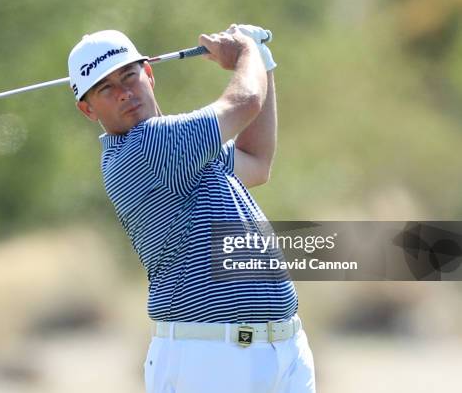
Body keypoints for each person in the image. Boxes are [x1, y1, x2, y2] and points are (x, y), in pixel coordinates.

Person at [67, 24, 316, 393]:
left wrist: (263, 62)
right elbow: (245, 101)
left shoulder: (181, 147)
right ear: (88, 110)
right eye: (106, 88)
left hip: (280, 350)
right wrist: (246, 52)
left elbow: (256, 161)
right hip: (211, 358)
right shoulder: (149, 147)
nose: (123, 94)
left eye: (129, 76)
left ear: (149, 74)